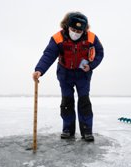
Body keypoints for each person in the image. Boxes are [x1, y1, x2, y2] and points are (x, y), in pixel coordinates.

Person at [32, 12, 104, 141]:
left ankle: (87, 131)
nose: (76, 32)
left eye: (79, 30)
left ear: (85, 29)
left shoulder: (91, 38)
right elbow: (48, 55)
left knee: (84, 102)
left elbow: (100, 53)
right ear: (67, 26)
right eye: (73, 29)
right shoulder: (58, 38)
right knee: (67, 102)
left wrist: (91, 65)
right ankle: (68, 129)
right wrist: (39, 70)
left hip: (83, 73)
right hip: (65, 73)